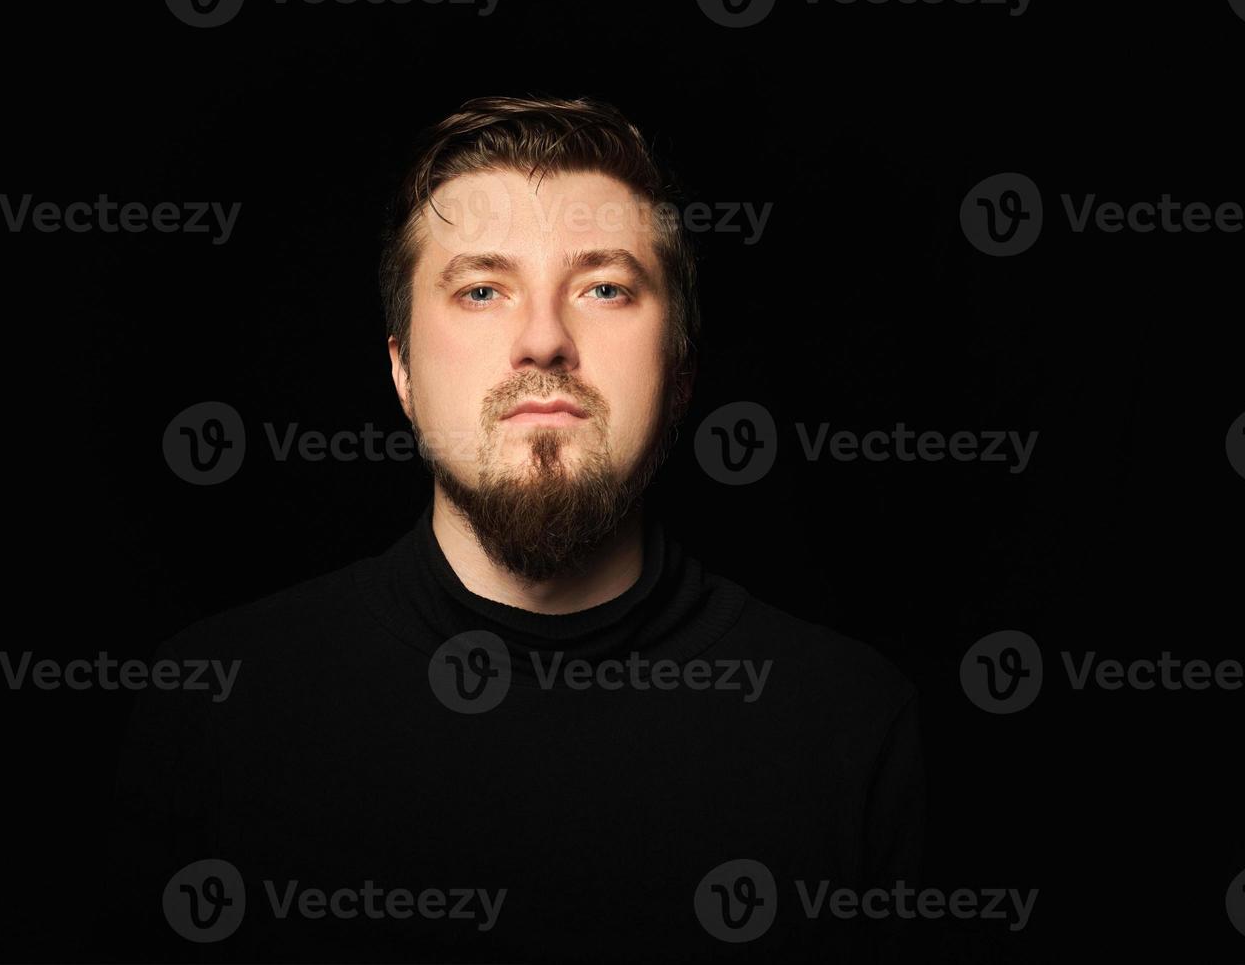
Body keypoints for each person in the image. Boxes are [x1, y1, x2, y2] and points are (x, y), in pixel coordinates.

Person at [105, 95, 925, 963]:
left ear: (680, 369)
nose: (543, 340)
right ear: (401, 369)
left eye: (604, 288)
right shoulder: (217, 708)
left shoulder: (847, 727)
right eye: (483, 289)